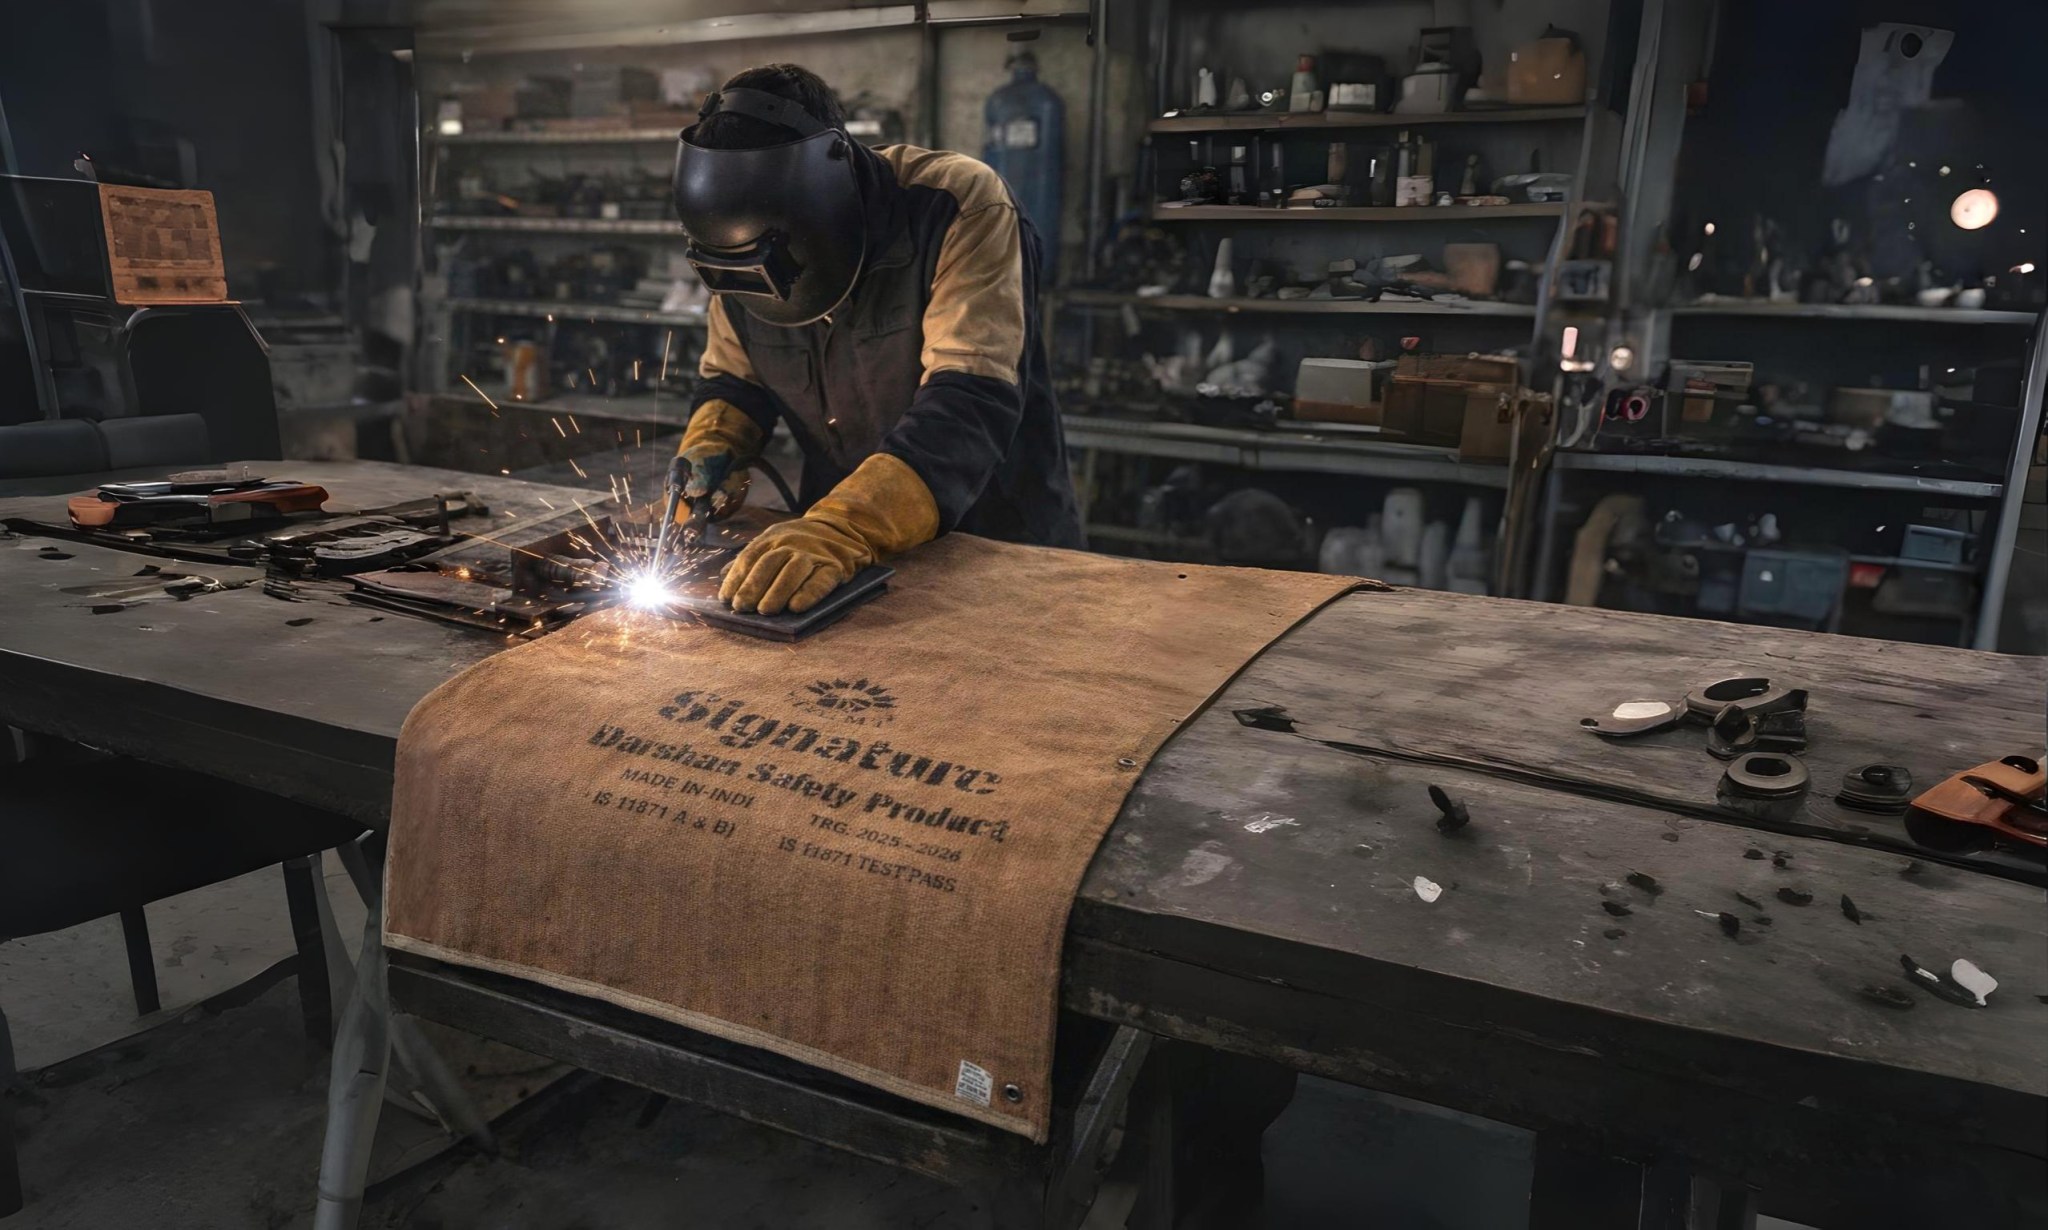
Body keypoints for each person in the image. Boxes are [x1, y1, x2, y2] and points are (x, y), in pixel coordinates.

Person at [668, 63, 1082, 616]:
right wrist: (713, 446)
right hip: (832, 565)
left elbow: (969, 400)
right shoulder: (737, 251)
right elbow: (735, 378)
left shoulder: (958, 205)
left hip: (992, 548)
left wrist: (841, 528)